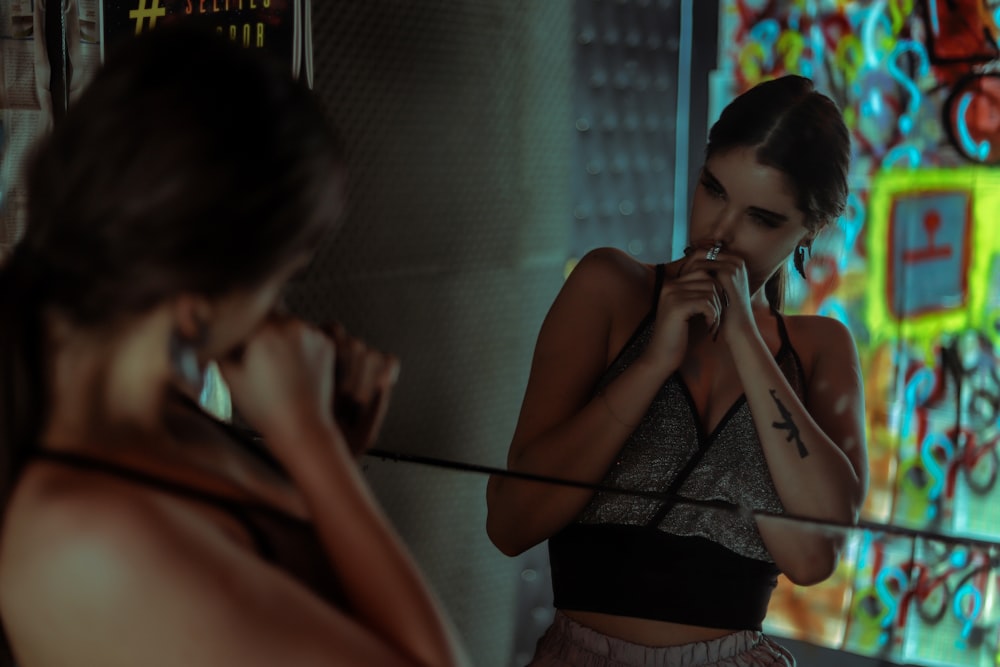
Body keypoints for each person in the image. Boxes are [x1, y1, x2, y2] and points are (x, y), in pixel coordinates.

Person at [0, 25, 468, 667]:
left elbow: (264, 603)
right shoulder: (82, 538)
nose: (278, 313)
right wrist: (311, 443)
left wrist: (324, 458)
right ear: (195, 301)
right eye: (279, 281)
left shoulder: (162, 421)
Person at [486, 75, 868, 666]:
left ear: (810, 230)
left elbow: (813, 559)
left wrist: (744, 335)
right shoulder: (611, 289)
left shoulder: (819, 350)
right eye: (713, 189)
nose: (719, 231)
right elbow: (509, 526)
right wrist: (653, 364)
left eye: (761, 218)